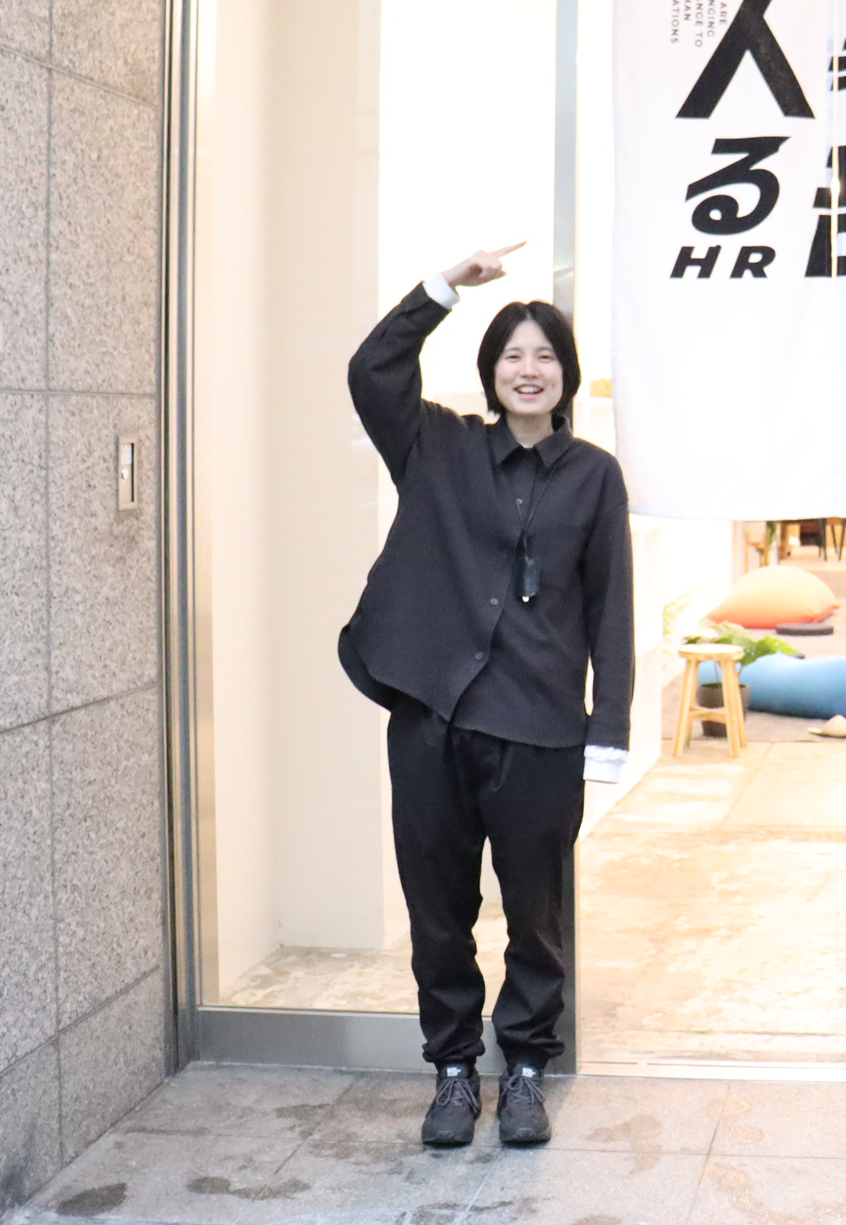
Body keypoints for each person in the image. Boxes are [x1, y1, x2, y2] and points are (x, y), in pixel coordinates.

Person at [339, 244, 633, 1150]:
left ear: (565, 374)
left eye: (545, 355)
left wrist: (607, 732)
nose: (528, 369)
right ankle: (455, 1071)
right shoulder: (439, 445)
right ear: (491, 371)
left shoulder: (594, 475)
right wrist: (442, 290)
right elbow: (372, 370)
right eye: (512, 355)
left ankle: (529, 1069)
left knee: (536, 917)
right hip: (432, 717)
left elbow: (612, 610)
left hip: (540, 727)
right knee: (439, 911)